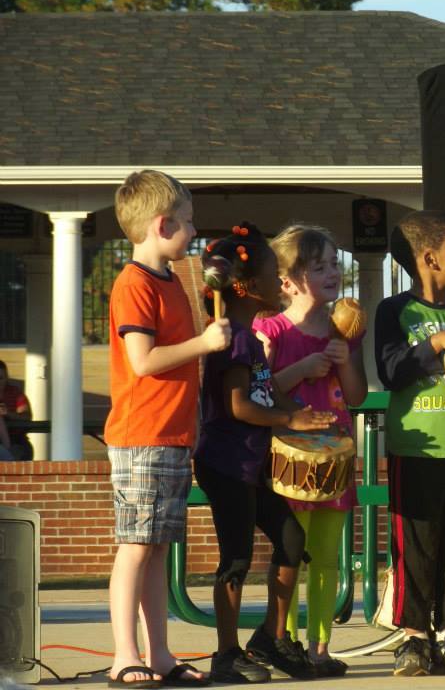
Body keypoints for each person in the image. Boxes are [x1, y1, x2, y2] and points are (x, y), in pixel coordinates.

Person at [103, 170, 230, 688]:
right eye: (188, 221)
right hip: (142, 435)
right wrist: (204, 344)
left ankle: (158, 654)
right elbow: (143, 360)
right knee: (136, 546)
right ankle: (124, 655)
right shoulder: (134, 284)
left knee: (157, 548)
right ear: (162, 224)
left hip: (171, 435)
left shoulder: (172, 280)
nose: (194, 231)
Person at [193, 222, 335, 683]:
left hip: (250, 462)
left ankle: (271, 639)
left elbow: (266, 390)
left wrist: (303, 415)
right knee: (236, 558)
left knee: (291, 539)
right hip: (226, 464)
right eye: (275, 275)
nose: (280, 282)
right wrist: (288, 421)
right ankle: (226, 654)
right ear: (249, 286)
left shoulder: (249, 337)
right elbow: (239, 406)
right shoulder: (232, 339)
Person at [375, 212, 445, 677]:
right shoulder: (394, 312)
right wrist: (437, 344)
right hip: (415, 451)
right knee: (416, 550)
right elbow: (392, 371)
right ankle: (414, 637)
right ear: (430, 258)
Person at [252, 224, 367, 677]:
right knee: (290, 555)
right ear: (287, 282)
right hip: (291, 462)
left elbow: (356, 395)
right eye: (319, 267)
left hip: (334, 459)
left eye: (334, 264)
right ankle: (284, 640)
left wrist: (345, 360)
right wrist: (301, 368)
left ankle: (320, 647)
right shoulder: (271, 329)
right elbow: (260, 391)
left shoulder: (343, 330)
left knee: (326, 557)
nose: (332, 273)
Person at [0, 359, 33, 460]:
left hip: (16, 440)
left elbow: (26, 416)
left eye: (0, 378)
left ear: (7, 378)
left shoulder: (15, 393)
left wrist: (8, 414)